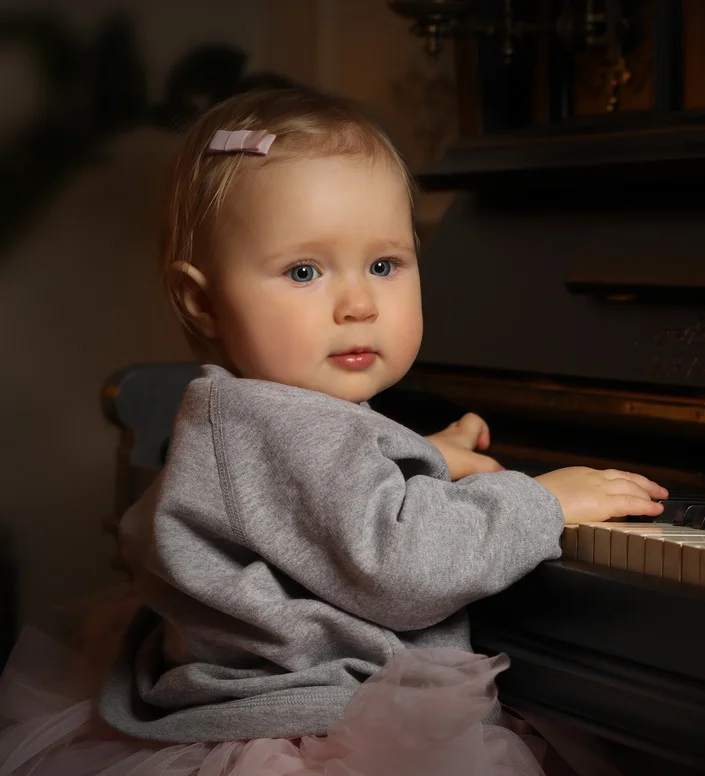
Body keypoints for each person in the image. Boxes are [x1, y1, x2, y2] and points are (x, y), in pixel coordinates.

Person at [0, 87, 667, 775]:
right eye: (304, 271)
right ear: (204, 300)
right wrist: (544, 502)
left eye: (384, 265)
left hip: (272, 697)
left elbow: (321, 488)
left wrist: (420, 456)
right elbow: (401, 568)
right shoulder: (294, 427)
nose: (357, 304)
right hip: (313, 719)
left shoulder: (247, 410)